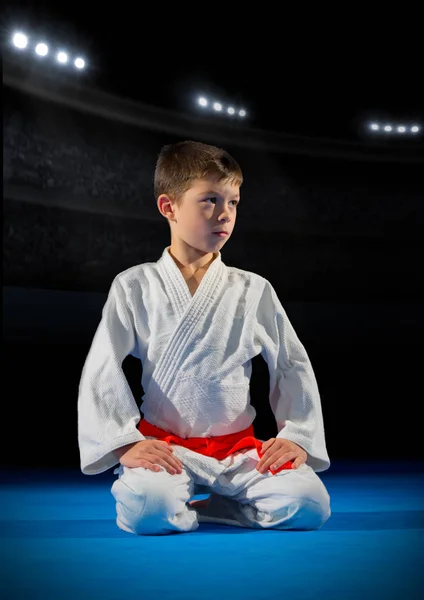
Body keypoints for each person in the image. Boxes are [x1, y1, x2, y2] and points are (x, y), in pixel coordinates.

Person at [77, 140, 331, 535]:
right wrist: (125, 442)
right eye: (210, 200)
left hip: (239, 450)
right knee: (149, 509)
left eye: (233, 202)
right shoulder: (134, 285)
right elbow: (103, 366)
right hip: (167, 448)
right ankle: (176, 497)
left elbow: (291, 364)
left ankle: (224, 506)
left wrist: (297, 434)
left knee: (310, 505)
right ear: (169, 207)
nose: (224, 214)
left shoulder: (253, 288)